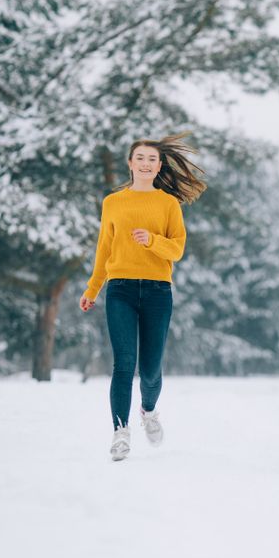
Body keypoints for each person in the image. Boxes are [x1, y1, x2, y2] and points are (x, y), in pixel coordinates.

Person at [79, 133, 206, 461]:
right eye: (140, 158)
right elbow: (104, 248)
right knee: (124, 364)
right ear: (130, 163)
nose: (146, 164)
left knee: (150, 369)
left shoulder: (168, 204)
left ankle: (148, 411)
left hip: (157, 291)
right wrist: (93, 288)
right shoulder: (112, 203)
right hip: (119, 289)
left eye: (152, 159)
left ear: (159, 166)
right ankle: (120, 432)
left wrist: (151, 240)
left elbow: (177, 249)